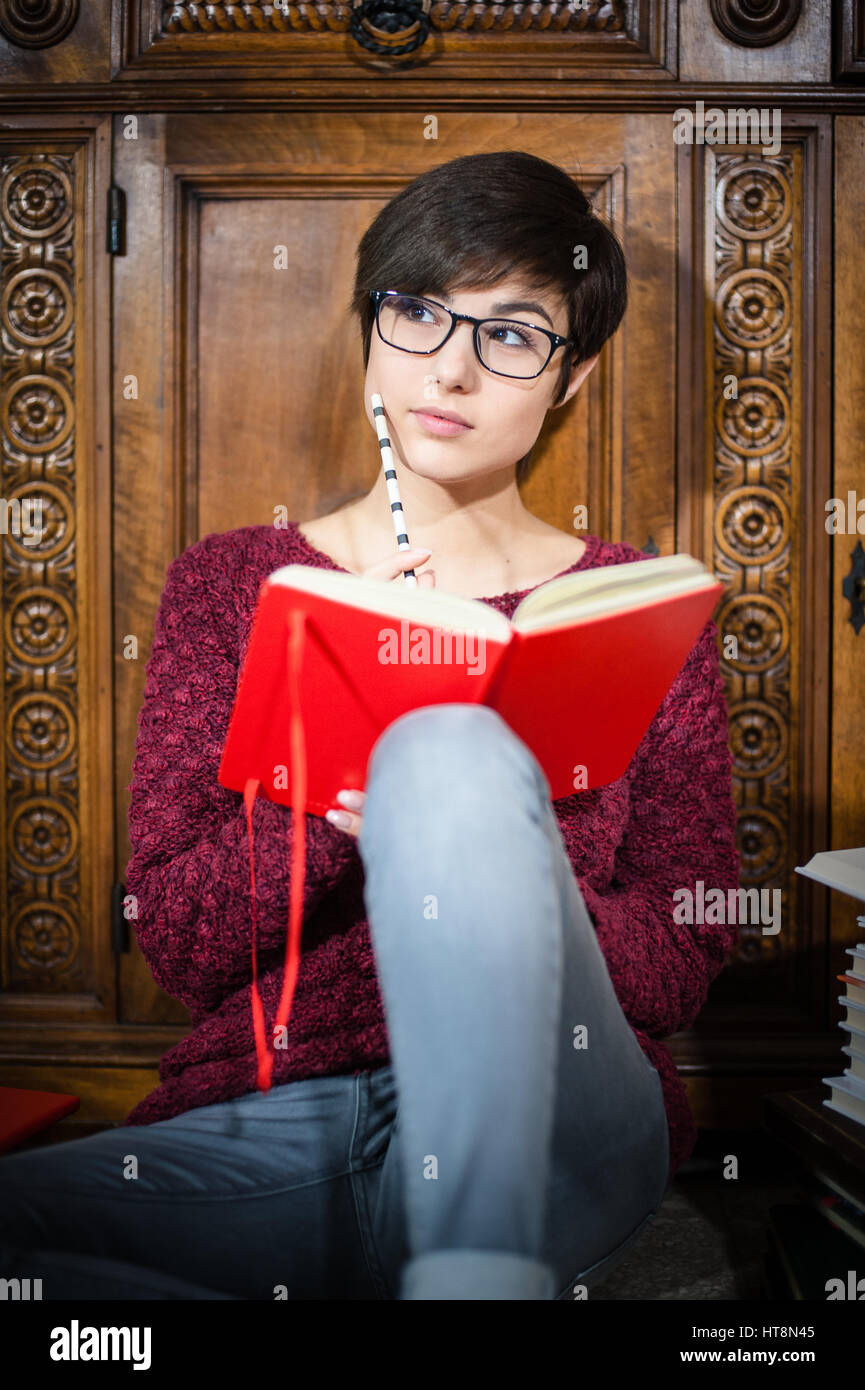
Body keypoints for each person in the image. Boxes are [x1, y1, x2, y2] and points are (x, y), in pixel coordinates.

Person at [0, 150, 740, 1301]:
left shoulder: (633, 610)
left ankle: (478, 1271)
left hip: (564, 1105)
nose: (449, 368)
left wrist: (506, 852)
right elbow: (182, 942)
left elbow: (680, 961)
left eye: (509, 335)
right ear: (369, 333)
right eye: (416, 314)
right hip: (282, 1112)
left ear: (571, 376)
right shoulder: (233, 585)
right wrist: (348, 778)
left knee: (449, 749)